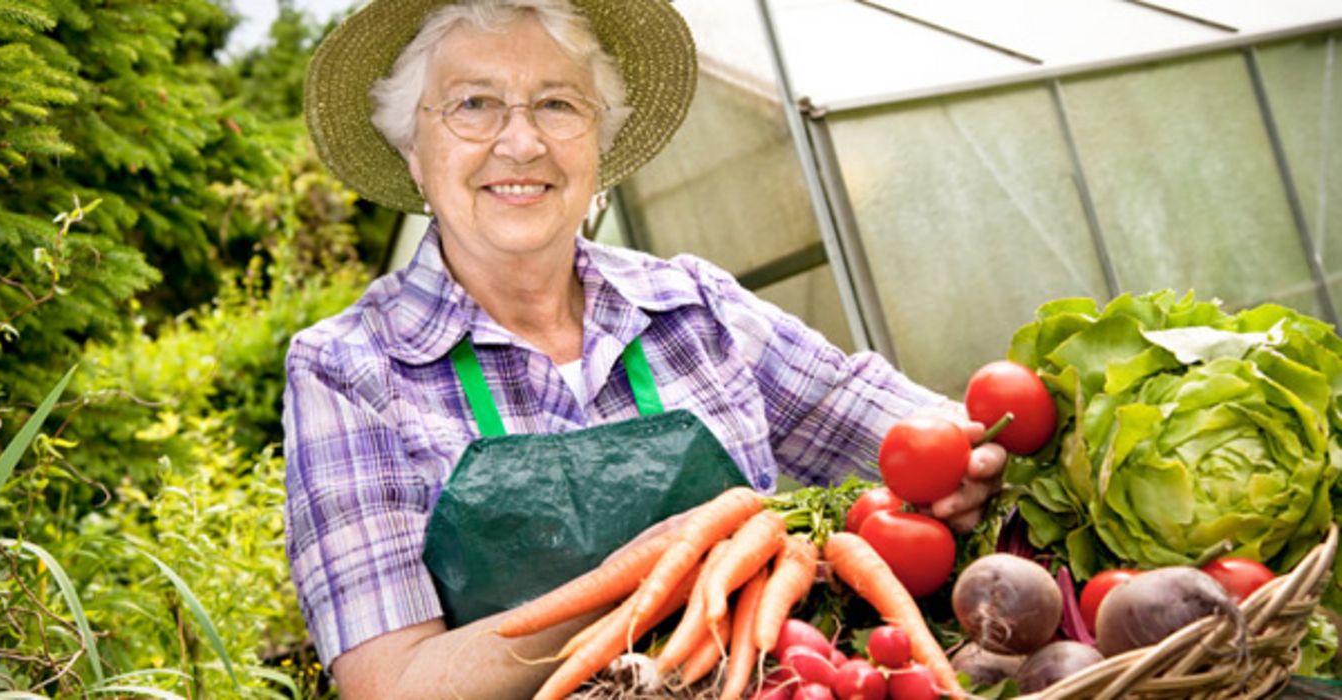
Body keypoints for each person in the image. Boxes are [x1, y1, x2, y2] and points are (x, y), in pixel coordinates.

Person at [283, 0, 1008, 697]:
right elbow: (393, 685)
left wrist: (968, 459)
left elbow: (899, 428)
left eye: (558, 104)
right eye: (473, 104)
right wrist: (655, 570)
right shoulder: (350, 368)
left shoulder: (694, 306)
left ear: (599, 145)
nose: (522, 142)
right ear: (412, 151)